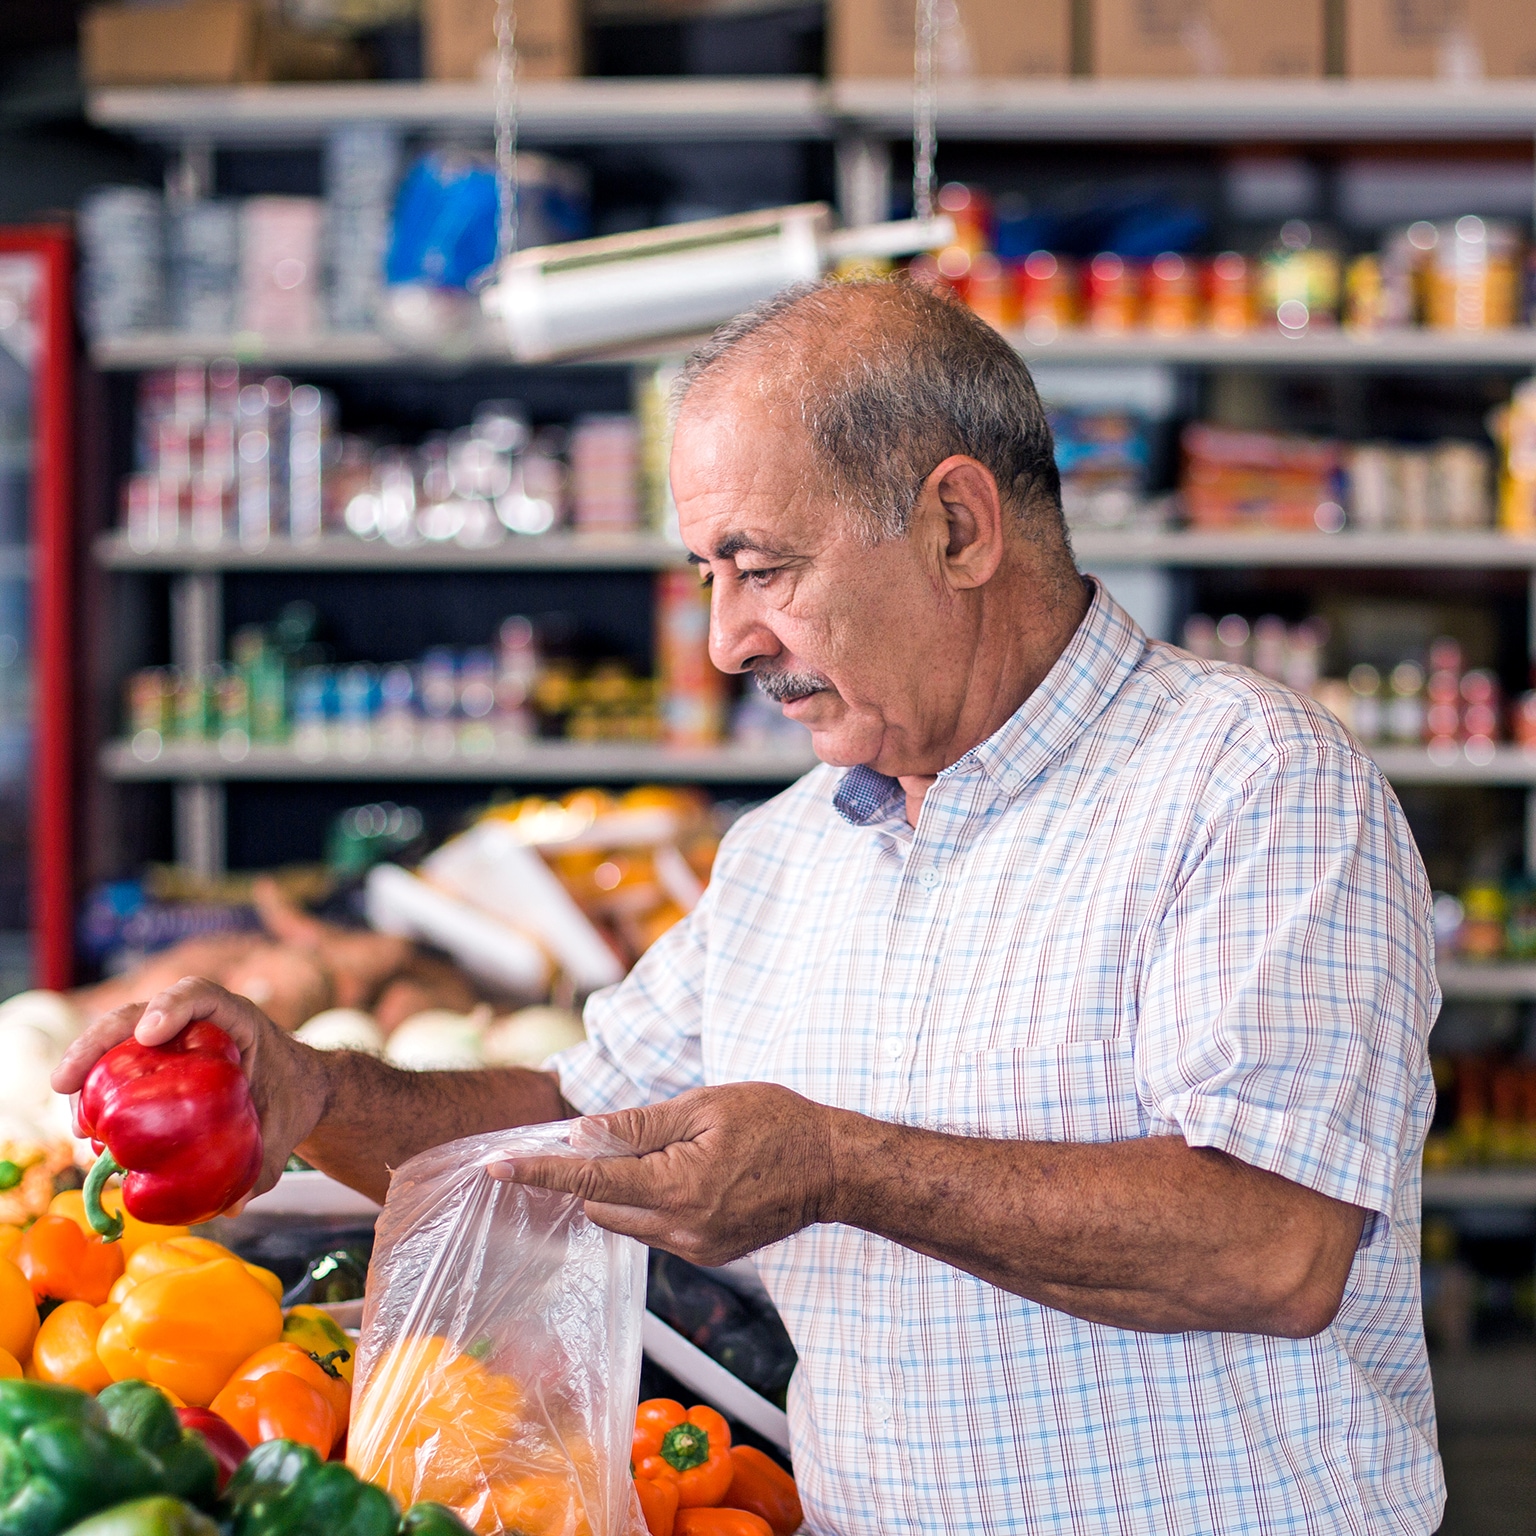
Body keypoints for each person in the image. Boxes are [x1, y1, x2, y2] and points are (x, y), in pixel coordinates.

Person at [56, 279, 1444, 1535]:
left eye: (763, 567)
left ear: (958, 526)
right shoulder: (792, 853)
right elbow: (578, 1128)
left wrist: (838, 1166)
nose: (728, 640)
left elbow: (1273, 1247)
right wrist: (310, 1092)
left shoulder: (1249, 785)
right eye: (707, 577)